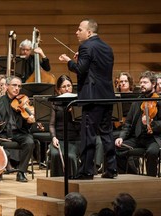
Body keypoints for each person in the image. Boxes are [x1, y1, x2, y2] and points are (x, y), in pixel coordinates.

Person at [59, 18, 117, 179]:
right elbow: (95, 68)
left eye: (79, 29)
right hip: (106, 96)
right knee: (107, 134)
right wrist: (82, 60)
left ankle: (86, 171)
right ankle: (112, 169)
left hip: (92, 98)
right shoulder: (107, 47)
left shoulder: (85, 46)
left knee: (88, 135)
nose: (76, 32)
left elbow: (80, 69)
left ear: (89, 32)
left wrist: (69, 61)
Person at [115, 71, 161, 176]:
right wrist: (121, 137)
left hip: (154, 139)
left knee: (152, 152)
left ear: (153, 84)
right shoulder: (137, 101)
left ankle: (151, 180)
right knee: (117, 147)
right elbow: (128, 123)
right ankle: (132, 175)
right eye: (141, 82)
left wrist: (153, 124)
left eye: (145, 82)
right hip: (138, 138)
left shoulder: (159, 100)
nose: (142, 85)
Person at [0, 76, 35, 182]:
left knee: (29, 142)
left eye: (19, 86)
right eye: (14, 85)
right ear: (6, 86)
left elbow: (26, 126)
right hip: (3, 133)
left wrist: (29, 121)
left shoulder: (23, 101)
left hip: (18, 133)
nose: (17, 88)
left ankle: (21, 172)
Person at [49, 75, 80, 178]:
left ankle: (73, 181)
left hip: (75, 139)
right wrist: (53, 137)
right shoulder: (55, 102)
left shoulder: (78, 102)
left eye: (69, 86)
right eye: (64, 87)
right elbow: (52, 124)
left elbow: (82, 124)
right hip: (59, 139)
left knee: (70, 156)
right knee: (55, 154)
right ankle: (57, 183)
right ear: (59, 90)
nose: (67, 89)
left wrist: (74, 113)